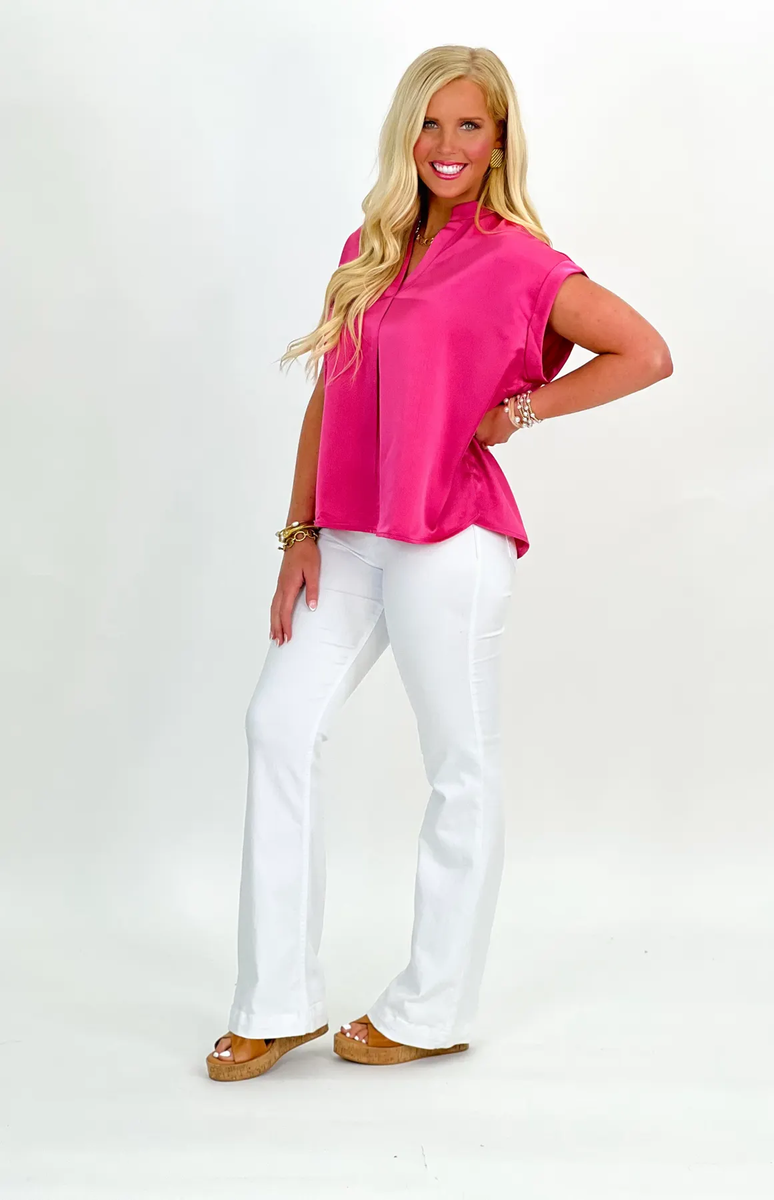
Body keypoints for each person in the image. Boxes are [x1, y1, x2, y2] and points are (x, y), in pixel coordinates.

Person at [206, 44, 672, 1081]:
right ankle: (276, 1002)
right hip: (349, 535)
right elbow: (330, 394)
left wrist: (521, 411)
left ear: (499, 140)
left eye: (469, 125)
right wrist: (297, 532)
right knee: (278, 723)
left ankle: (430, 1009)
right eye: (429, 123)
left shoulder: (522, 262)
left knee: (459, 765)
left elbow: (645, 352)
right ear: (405, 132)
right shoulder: (370, 245)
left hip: (449, 536)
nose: (446, 144)